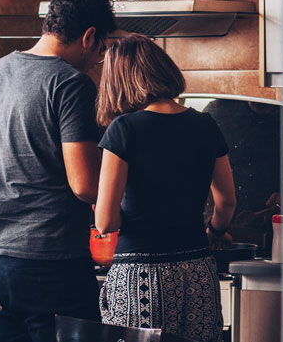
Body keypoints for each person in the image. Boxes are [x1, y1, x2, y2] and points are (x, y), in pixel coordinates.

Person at [0, 0, 116, 342]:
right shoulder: (70, 84)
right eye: (99, 53)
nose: (95, 62)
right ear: (89, 36)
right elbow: (85, 186)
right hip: (48, 263)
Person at [94, 34, 237, 342]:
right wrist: (215, 230)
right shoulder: (205, 124)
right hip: (198, 269)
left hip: (140, 275)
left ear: (119, 81)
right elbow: (226, 201)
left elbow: (105, 221)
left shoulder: (124, 129)